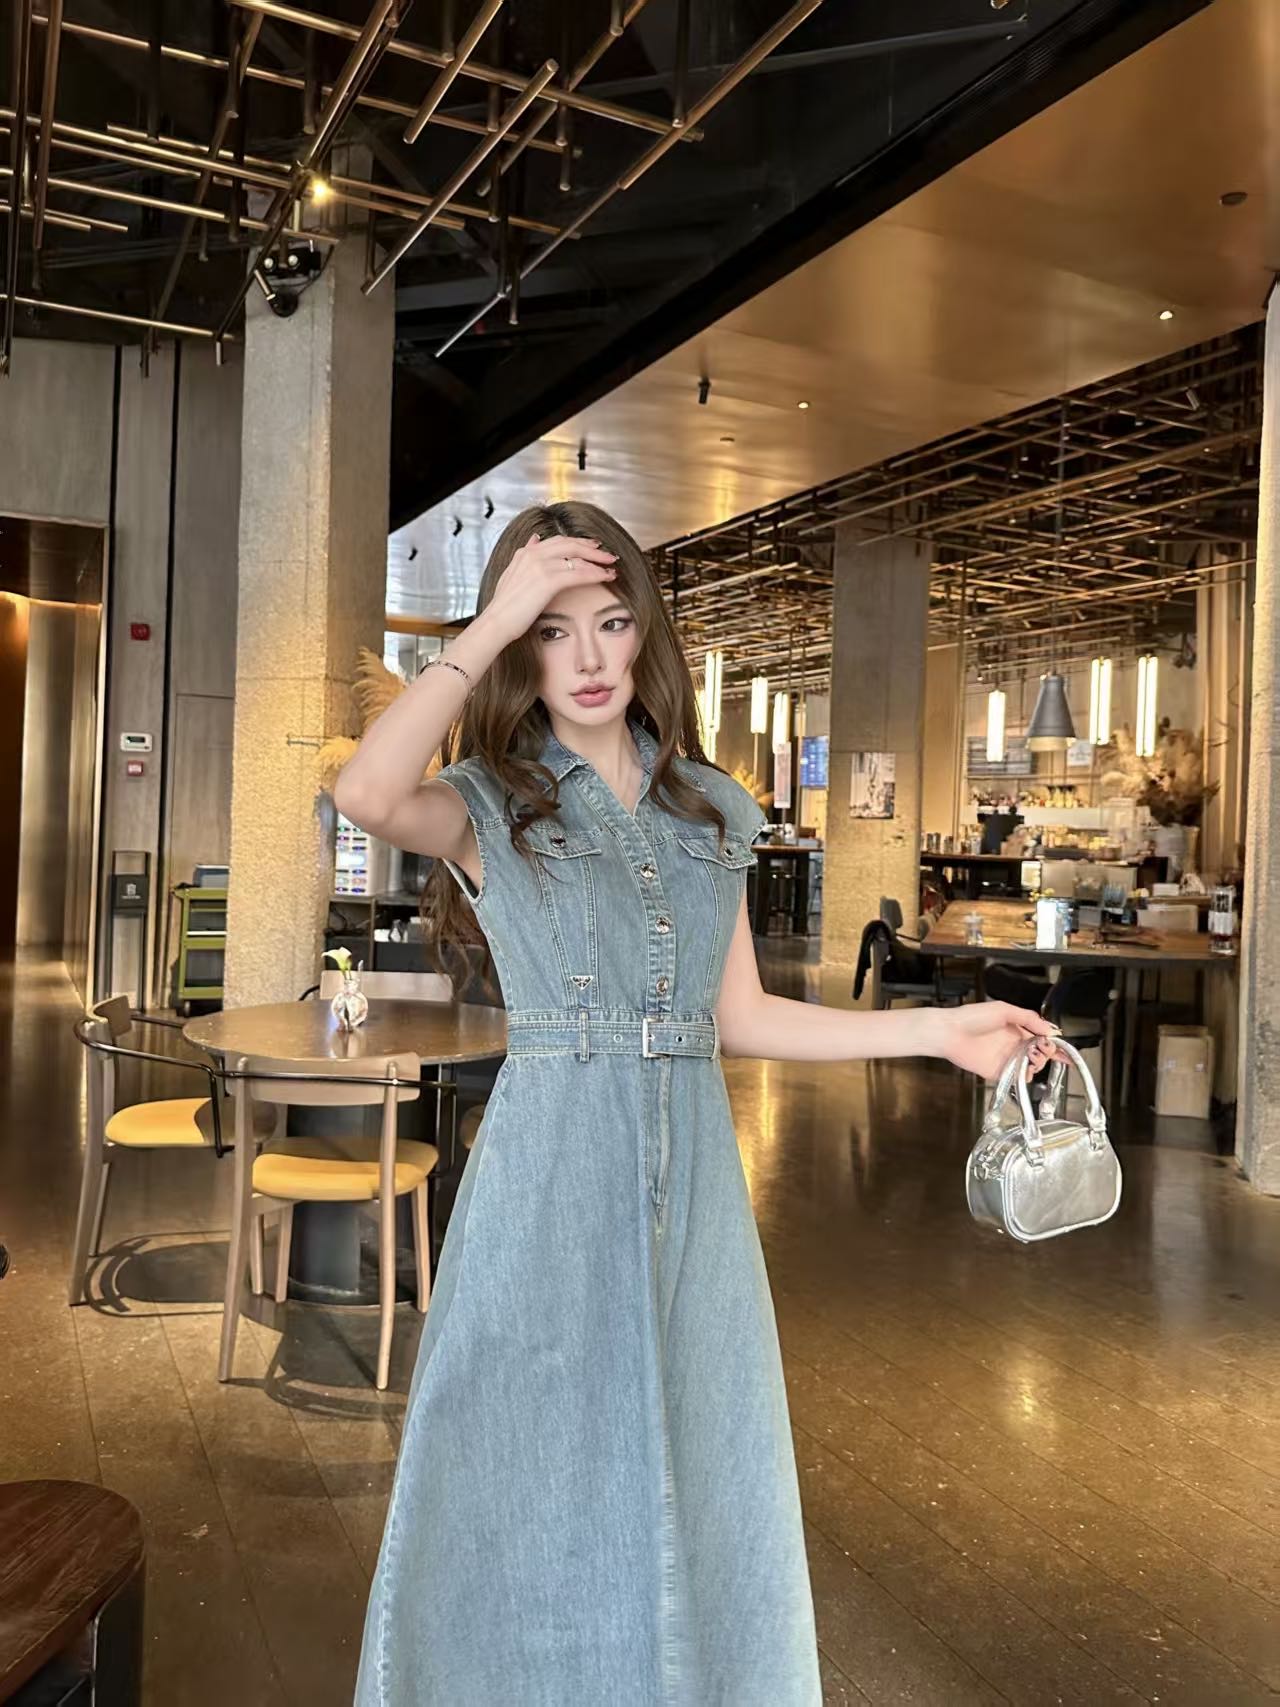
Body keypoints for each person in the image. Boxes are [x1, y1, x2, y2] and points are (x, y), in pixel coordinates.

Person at [335, 501, 1056, 1705]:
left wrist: (940, 1033)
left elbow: (743, 1017)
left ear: (646, 635)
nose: (587, 657)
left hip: (695, 1185)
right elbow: (364, 790)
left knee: (700, 1451)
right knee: (525, 1459)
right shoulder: (488, 800)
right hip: (548, 1172)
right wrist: (495, 616)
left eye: (610, 624)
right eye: (552, 631)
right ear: (518, 647)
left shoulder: (710, 810)